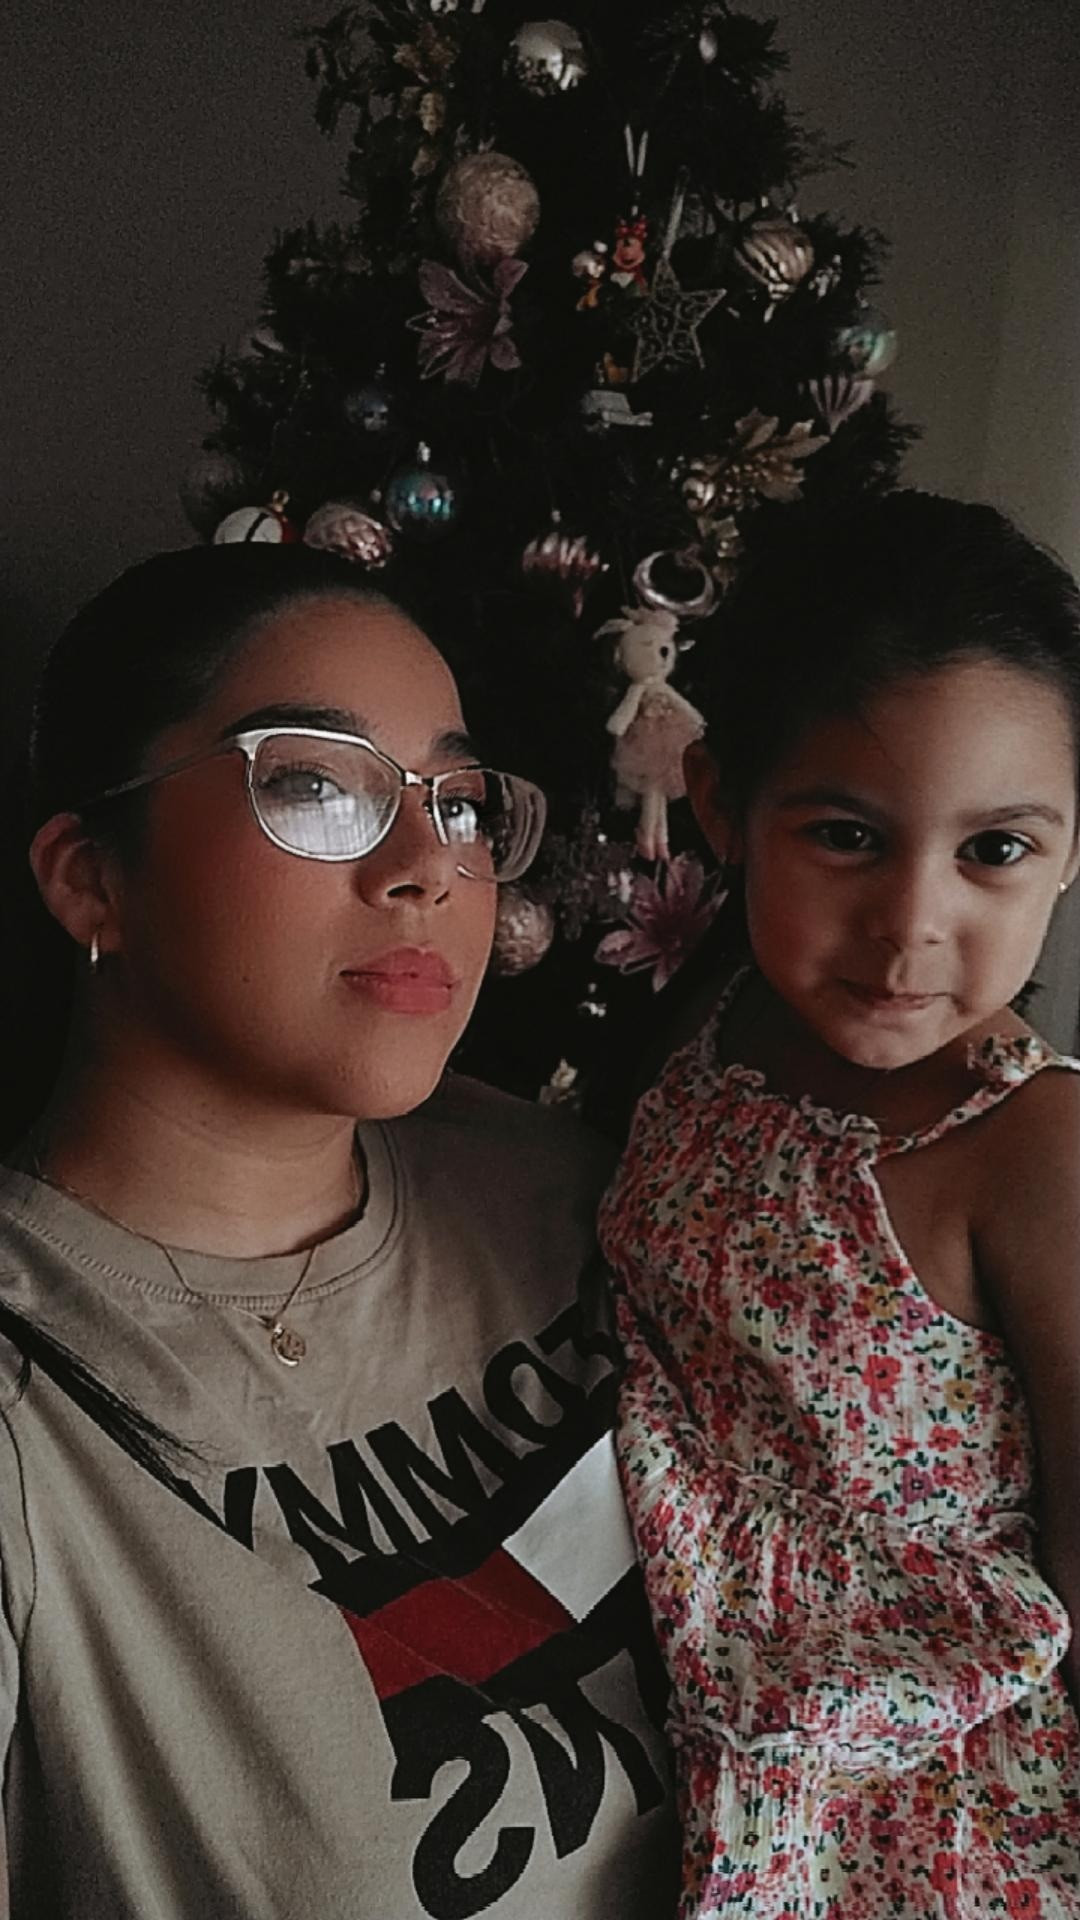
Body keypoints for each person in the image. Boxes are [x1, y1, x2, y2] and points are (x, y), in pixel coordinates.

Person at [0, 545, 676, 1918]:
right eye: (315, 785)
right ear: (90, 879)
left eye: (459, 802)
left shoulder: (587, 1199)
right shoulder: (32, 1425)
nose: (430, 867)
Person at [599, 491, 1080, 1917]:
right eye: (848, 837)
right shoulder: (715, 1032)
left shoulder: (1031, 1143)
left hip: (922, 1811)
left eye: (996, 850)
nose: (913, 923)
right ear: (722, 805)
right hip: (663, 1704)